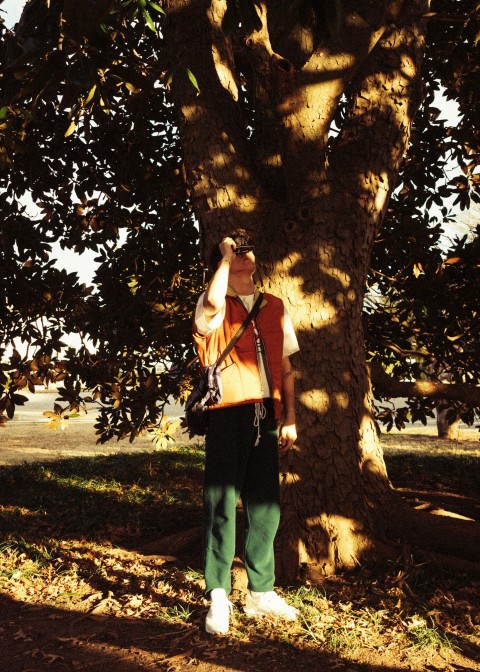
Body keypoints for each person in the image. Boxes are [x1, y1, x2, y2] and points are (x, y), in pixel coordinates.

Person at [192, 230, 300, 635]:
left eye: (245, 249)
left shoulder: (275, 305)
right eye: (232, 251)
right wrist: (223, 256)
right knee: (221, 504)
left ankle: (261, 592)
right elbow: (215, 301)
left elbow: (286, 367)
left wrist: (289, 415)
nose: (241, 255)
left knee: (265, 505)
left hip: (266, 413)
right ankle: (218, 593)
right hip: (227, 413)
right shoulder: (211, 305)